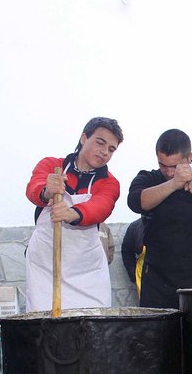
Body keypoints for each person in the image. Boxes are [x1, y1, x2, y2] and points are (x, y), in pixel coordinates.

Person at [24, 117, 123, 312]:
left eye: (111, 149)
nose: (104, 152)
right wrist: (46, 190)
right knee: (44, 326)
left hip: (86, 270)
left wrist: (73, 213)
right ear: (84, 138)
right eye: (100, 142)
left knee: (93, 324)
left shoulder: (109, 183)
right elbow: (33, 188)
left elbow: (102, 206)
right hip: (45, 267)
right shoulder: (51, 165)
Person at [128, 129, 192, 308]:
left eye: (174, 167)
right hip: (156, 276)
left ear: (190, 157)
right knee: (156, 334)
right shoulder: (149, 178)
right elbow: (136, 201)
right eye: (162, 165)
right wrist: (173, 184)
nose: (168, 171)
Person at [121, 216, 148, 297]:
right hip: (142, 272)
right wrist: (133, 274)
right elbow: (126, 251)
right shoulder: (135, 226)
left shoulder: (168, 223)